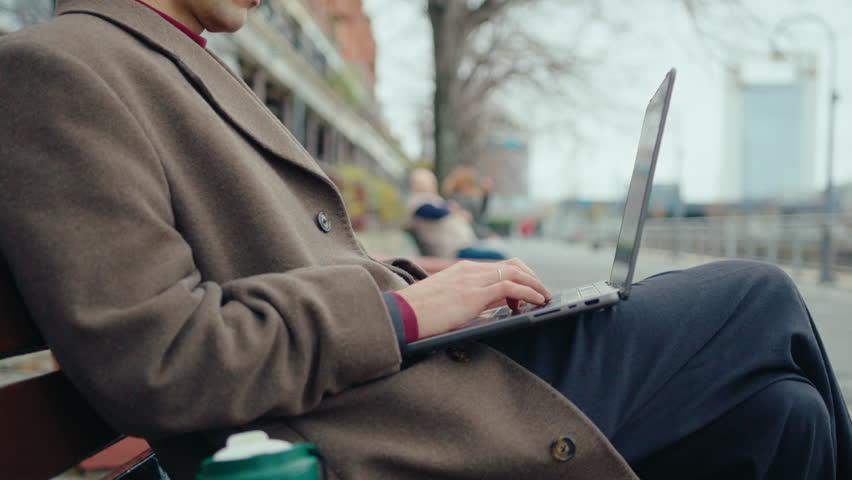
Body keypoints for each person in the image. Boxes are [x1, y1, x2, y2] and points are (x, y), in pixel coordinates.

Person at [0, 2, 849, 479]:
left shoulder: (171, 60)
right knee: (759, 297)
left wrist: (428, 284)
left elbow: (292, 266)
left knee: (785, 416)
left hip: (397, 376)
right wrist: (403, 314)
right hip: (366, 421)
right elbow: (165, 360)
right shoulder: (60, 68)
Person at [406, 168, 507, 260]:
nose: (431, 187)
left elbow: (478, 217)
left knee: (498, 249)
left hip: (464, 245)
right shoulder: (418, 203)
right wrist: (452, 209)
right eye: (426, 184)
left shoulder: (436, 201)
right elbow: (433, 212)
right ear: (415, 185)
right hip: (454, 251)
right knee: (498, 255)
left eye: (431, 183)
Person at [442, 165, 496, 239]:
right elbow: (471, 223)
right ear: (463, 184)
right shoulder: (459, 199)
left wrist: (485, 196)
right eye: (472, 183)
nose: (475, 186)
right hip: (468, 239)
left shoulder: (463, 198)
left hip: (471, 237)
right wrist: (488, 235)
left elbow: (478, 216)